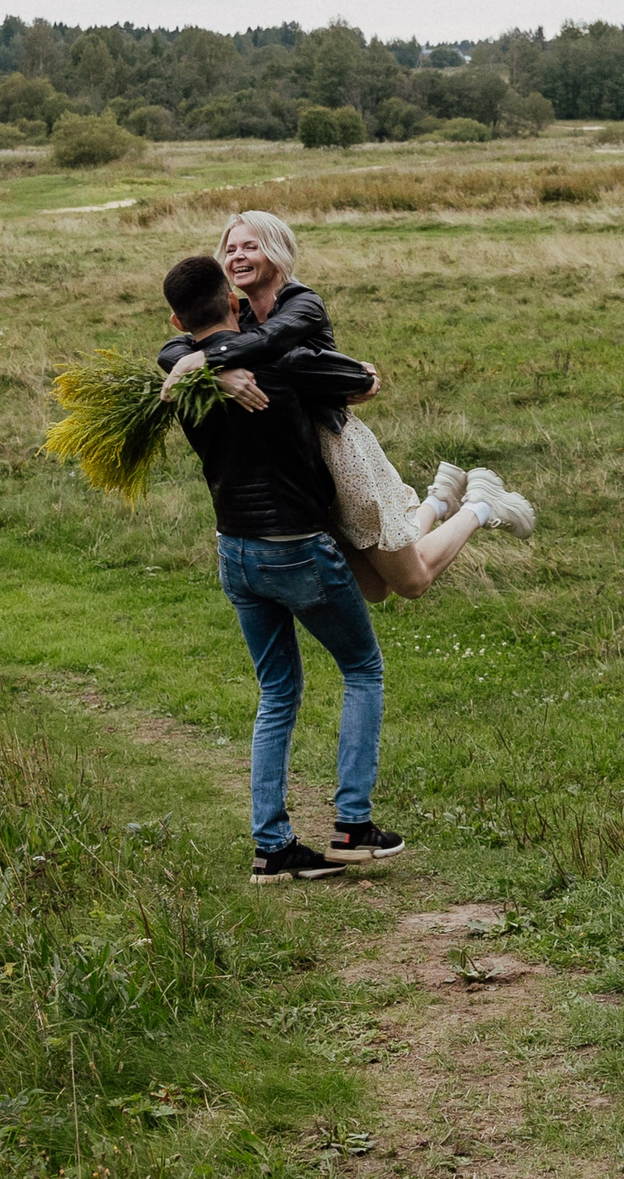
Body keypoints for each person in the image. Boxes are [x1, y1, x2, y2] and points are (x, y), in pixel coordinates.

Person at [156, 253, 418, 883]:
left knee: (277, 693)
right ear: (234, 303)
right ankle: (353, 826)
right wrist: (362, 377)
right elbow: (354, 378)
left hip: (235, 550)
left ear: (175, 317)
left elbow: (173, 357)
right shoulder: (281, 362)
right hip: (296, 545)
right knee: (363, 668)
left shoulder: (182, 381)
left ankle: (272, 847)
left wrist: (203, 367)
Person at [160, 209, 534, 600]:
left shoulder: (302, 303)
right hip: (296, 466)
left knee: (411, 581)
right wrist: (217, 372)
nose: (237, 256)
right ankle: (440, 500)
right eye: (231, 248)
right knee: (374, 588)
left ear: (276, 251)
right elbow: (173, 349)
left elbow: (270, 345)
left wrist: (203, 361)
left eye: (250, 246)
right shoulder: (241, 316)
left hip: (337, 452)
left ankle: (480, 506)